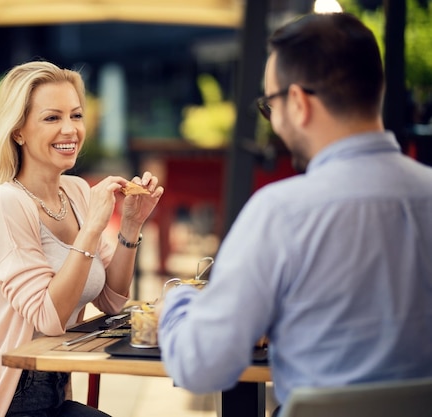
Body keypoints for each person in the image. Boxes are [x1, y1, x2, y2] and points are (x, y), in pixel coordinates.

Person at [157, 11, 432, 415]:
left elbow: (201, 367)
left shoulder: (280, 213)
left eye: (271, 105)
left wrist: (177, 303)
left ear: (299, 102)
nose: (275, 122)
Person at [0, 60, 164, 417]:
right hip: (7, 399)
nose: (70, 130)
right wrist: (93, 228)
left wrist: (129, 225)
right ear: (18, 131)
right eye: (52, 118)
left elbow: (111, 301)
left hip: (55, 390)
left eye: (76, 116)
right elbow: (48, 317)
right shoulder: (7, 203)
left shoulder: (77, 192)